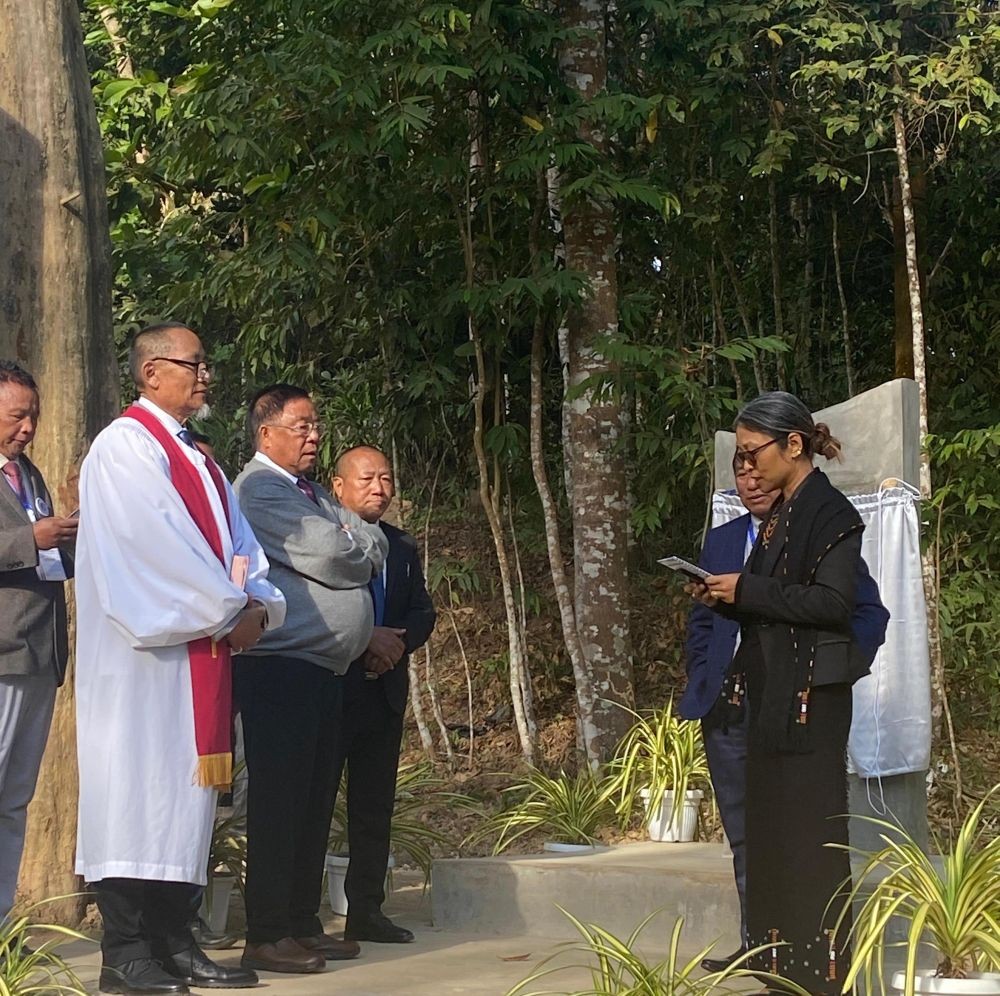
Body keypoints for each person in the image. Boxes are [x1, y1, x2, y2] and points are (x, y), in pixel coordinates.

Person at [75, 323, 286, 996]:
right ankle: (126, 954)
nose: (205, 376)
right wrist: (232, 610)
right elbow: (156, 551)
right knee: (137, 800)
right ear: (150, 373)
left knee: (184, 807)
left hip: (199, 654)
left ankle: (175, 943)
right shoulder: (124, 450)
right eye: (192, 364)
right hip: (144, 665)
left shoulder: (199, 457)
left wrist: (259, 604)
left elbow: (242, 552)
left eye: (205, 363)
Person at [690, 391, 869, 996]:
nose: (747, 467)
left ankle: (819, 977)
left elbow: (834, 604)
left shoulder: (829, 512)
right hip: (770, 695)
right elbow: (767, 600)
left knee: (810, 843)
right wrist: (727, 596)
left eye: (752, 453)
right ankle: (778, 967)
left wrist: (748, 593)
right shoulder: (782, 515)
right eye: (739, 456)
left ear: (793, 445)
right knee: (770, 838)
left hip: (810, 700)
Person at [233, 386, 387, 974]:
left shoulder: (315, 492)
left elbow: (366, 536)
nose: (314, 435)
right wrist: (354, 545)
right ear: (266, 432)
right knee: (280, 803)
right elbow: (331, 554)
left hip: (324, 669)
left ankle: (300, 923)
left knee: (314, 802)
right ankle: (266, 932)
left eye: (316, 425)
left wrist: (354, 542)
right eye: (301, 425)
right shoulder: (260, 488)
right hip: (280, 667)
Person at [331, 446, 437, 944]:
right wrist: (362, 642)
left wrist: (394, 645)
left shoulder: (403, 546)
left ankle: (366, 911)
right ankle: (300, 917)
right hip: (332, 690)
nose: (379, 487)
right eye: (367, 478)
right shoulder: (324, 540)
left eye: (386, 478)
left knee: (373, 808)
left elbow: (422, 612)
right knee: (313, 805)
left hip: (385, 692)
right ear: (338, 486)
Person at [0, 361, 77, 922]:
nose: (27, 427)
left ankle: (3, 927)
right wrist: (34, 535)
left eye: (33, 416)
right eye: (16, 416)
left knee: (14, 799)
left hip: (38, 652)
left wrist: (70, 536)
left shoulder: (29, 475)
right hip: (2, 653)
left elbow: (47, 556)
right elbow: (24, 542)